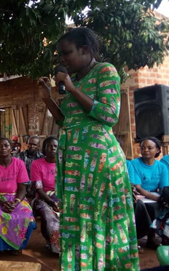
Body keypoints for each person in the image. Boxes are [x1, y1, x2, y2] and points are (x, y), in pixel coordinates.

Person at [37, 27, 138, 270]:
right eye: (60, 55)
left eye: (67, 53)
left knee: (101, 220)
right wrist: (48, 99)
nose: (62, 60)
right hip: (74, 166)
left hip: (100, 164)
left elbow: (109, 114)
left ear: (85, 50)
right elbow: (66, 121)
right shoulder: (76, 80)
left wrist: (71, 88)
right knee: (79, 222)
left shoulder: (106, 71)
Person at [0, 137, 36, 253]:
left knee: (27, 216)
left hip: (16, 198)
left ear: (11, 148)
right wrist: (3, 203)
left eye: (6, 145)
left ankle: (16, 246)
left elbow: (22, 188)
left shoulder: (19, 164)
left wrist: (15, 203)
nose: (2, 148)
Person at [128, 137, 168, 248]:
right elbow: (138, 188)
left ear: (158, 150)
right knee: (143, 206)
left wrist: (163, 199)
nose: (146, 150)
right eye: (143, 148)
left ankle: (153, 237)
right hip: (140, 195)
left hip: (154, 195)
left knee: (162, 205)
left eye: (150, 148)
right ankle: (136, 238)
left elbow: (164, 188)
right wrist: (159, 199)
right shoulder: (134, 164)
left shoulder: (161, 167)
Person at [30, 136, 60, 254]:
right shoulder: (37, 164)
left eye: (55, 146)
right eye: (49, 146)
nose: (53, 148)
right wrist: (51, 202)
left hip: (61, 197)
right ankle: (54, 246)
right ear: (44, 149)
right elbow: (38, 188)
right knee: (48, 214)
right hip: (43, 197)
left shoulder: (64, 164)